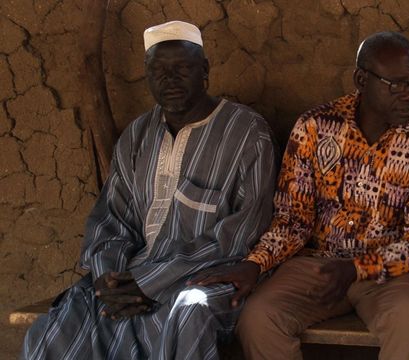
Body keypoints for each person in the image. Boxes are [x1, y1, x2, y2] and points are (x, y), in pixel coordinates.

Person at [189, 31, 409, 360]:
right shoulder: (315, 127)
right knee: (258, 317)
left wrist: (358, 268)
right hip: (319, 266)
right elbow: (293, 218)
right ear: (361, 79)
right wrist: (255, 264)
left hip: (391, 274)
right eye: (397, 84)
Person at [21, 20, 277, 360]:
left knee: (189, 313)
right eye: (158, 71)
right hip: (133, 276)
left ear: (205, 70)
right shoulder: (137, 135)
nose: (169, 80)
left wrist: (153, 280)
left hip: (209, 275)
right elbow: (112, 220)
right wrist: (107, 279)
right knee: (52, 331)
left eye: (182, 68)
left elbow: (241, 233)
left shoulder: (247, 133)